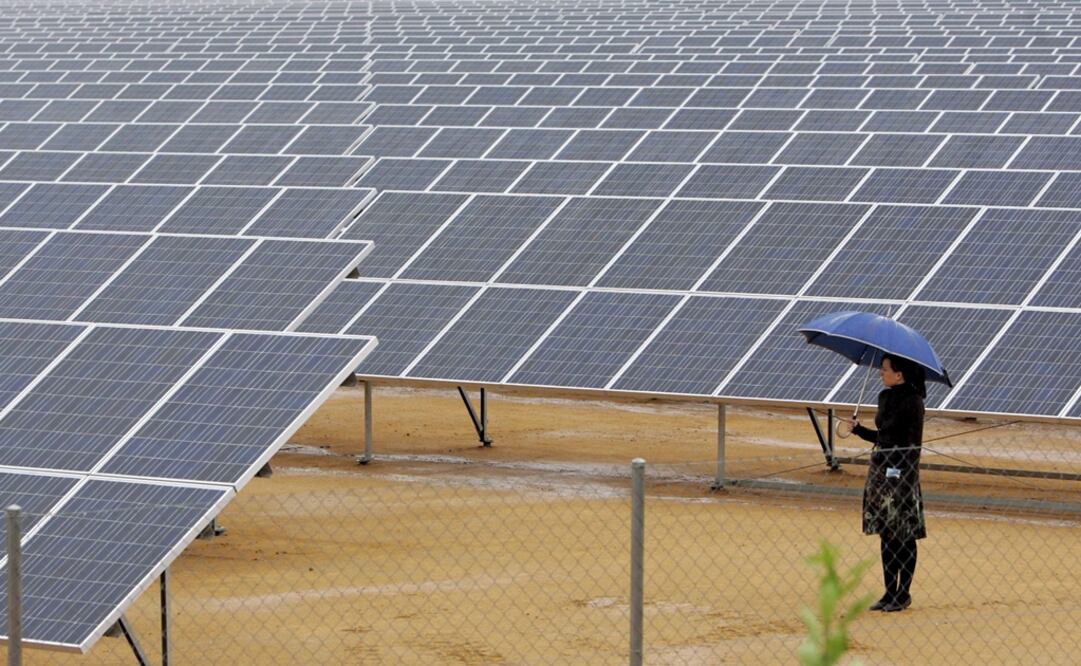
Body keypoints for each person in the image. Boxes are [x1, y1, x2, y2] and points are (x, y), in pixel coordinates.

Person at [844, 354, 926, 613]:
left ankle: (904, 592)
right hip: (880, 472)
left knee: (904, 534)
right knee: (886, 534)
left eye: (886, 369)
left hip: (902, 474)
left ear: (899, 374)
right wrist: (858, 430)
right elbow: (883, 436)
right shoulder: (884, 397)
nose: (881, 372)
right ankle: (889, 591)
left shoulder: (913, 402)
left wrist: (903, 477)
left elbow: (910, 444)